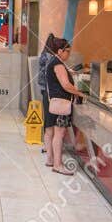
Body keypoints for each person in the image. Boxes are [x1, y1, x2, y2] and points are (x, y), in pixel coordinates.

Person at [43, 37, 84, 172]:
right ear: (60, 51)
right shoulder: (58, 64)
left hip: (56, 102)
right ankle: (58, 165)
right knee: (59, 134)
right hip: (62, 103)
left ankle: (53, 162)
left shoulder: (54, 62)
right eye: (67, 51)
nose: (69, 54)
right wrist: (80, 93)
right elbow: (66, 85)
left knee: (56, 134)